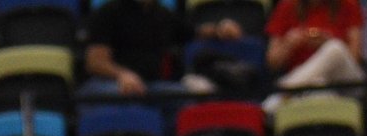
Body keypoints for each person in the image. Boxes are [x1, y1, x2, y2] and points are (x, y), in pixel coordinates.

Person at [81, 0, 244, 103]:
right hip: (109, 85)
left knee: (182, 97)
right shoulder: (108, 12)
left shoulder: (161, 14)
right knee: (126, 97)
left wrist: (219, 30)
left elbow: (193, 32)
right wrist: (123, 75)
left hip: (151, 86)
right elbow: (95, 62)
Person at [264, 0, 364, 96]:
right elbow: (273, 62)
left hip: (346, 81)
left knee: (334, 48)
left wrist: (327, 42)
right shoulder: (287, 6)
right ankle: (290, 91)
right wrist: (289, 43)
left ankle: (284, 92)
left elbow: (354, 58)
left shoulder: (348, 4)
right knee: (318, 87)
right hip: (311, 82)